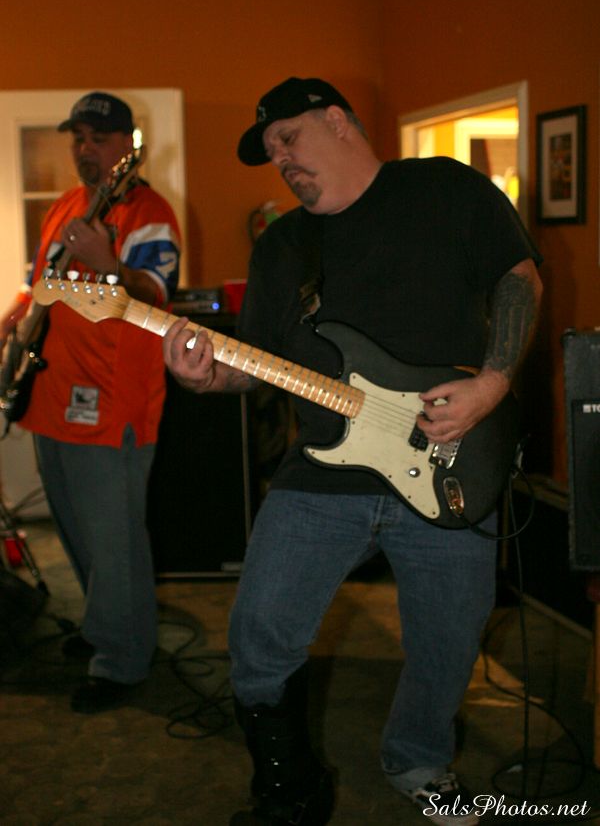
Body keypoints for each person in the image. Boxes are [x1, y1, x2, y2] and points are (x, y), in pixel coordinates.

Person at [162, 77, 542, 825]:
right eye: (270, 152)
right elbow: (257, 362)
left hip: (452, 455)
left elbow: (520, 279)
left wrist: (492, 384)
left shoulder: (445, 190)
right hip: (322, 471)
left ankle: (419, 759)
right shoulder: (283, 247)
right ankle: (290, 787)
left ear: (337, 120)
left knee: (448, 642)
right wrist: (206, 376)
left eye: (288, 139)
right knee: (259, 632)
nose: (280, 159)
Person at [0, 92, 181, 713]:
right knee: (77, 534)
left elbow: (155, 298)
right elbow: (42, 285)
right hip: (50, 399)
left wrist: (109, 265)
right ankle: (104, 628)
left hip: (110, 406)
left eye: (98, 138)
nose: (85, 149)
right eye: (78, 137)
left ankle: (123, 660)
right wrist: (17, 315)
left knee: (115, 542)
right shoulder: (65, 206)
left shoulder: (149, 212)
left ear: (127, 144)